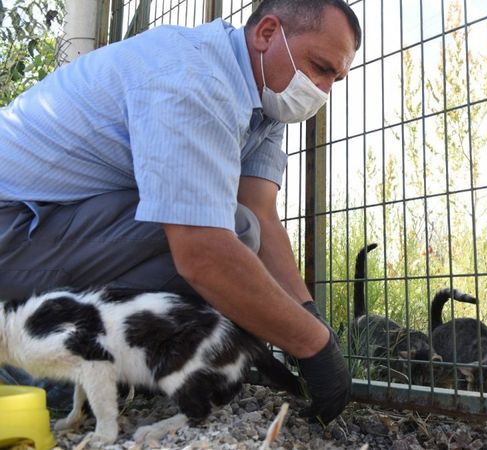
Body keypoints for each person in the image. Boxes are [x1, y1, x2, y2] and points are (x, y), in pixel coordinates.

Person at [0, 0, 360, 425]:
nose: (322, 90)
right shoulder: (195, 79)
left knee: (240, 227)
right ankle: (39, 361)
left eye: (336, 78)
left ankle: (79, 357)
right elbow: (203, 253)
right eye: (319, 67)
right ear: (266, 34)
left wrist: (306, 315)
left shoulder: (263, 104)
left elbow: (261, 214)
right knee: (225, 237)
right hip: (14, 225)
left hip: (53, 224)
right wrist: (311, 346)